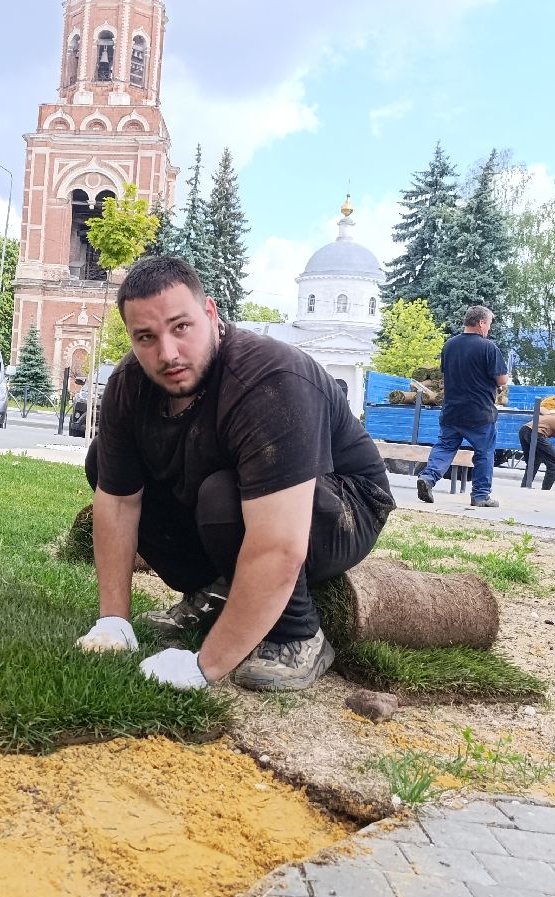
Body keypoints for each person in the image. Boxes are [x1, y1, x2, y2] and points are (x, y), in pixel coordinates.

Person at [75, 256, 395, 692]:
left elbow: (280, 546)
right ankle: (216, 592)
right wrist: (113, 621)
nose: (166, 353)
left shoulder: (268, 377)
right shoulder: (129, 384)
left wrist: (203, 667)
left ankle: (297, 633)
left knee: (222, 497)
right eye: (146, 337)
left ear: (210, 313)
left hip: (343, 506)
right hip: (237, 493)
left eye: (180, 327)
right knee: (105, 464)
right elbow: (118, 501)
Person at [416, 305, 508, 508]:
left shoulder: (449, 345)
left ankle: (428, 478)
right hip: (479, 413)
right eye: (489, 324)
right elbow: (501, 380)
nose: (489, 329)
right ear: (481, 323)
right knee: (484, 452)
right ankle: (481, 496)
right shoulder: (488, 347)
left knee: (445, 446)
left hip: (451, 411)